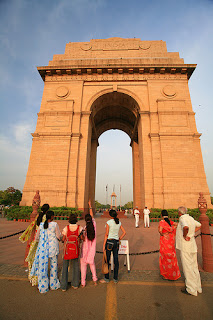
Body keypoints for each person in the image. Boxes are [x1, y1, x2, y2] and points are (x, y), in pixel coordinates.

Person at [30, 210, 61, 293]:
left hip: (43, 249)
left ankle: (43, 286)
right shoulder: (55, 224)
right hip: (53, 248)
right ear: (52, 217)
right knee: (53, 267)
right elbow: (58, 236)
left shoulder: (41, 225)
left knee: (43, 267)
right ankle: (53, 284)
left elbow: (36, 238)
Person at [176, 206, 202, 296]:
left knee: (187, 268)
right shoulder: (190, 218)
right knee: (194, 266)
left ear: (179, 213)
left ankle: (191, 289)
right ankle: (198, 287)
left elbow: (185, 227)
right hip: (192, 245)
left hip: (185, 246)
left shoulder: (182, 218)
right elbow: (199, 225)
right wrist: (191, 234)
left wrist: (185, 235)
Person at [26, 204, 50, 286]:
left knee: (33, 259)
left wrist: (30, 240)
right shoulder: (46, 218)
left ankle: (32, 277)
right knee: (41, 261)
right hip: (42, 241)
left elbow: (33, 228)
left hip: (35, 240)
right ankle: (39, 279)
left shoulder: (38, 216)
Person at [100, 209, 126, 283]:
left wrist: (104, 244)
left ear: (110, 215)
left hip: (109, 242)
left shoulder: (108, 222)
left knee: (107, 260)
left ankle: (107, 278)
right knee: (116, 260)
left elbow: (106, 234)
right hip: (116, 242)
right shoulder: (119, 222)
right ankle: (115, 278)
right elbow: (124, 232)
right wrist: (119, 238)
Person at [61, 213, 82, 291]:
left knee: (65, 267)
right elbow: (82, 238)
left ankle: (63, 286)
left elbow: (63, 239)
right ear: (76, 219)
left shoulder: (66, 228)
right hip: (75, 250)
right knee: (76, 267)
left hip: (67, 251)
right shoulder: (80, 228)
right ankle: (75, 284)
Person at [158, 210, 181, 280]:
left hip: (164, 241)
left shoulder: (162, 222)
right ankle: (174, 274)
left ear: (161, 215)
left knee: (165, 257)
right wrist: (171, 229)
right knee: (172, 256)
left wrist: (163, 234)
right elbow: (177, 224)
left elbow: (160, 230)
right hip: (171, 241)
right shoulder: (170, 222)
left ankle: (166, 275)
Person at [80, 200, 98, 287]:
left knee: (83, 266)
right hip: (92, 251)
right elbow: (92, 216)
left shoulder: (84, 229)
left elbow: (82, 239)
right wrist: (90, 206)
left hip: (85, 251)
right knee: (92, 264)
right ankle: (95, 280)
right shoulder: (94, 226)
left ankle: (83, 282)